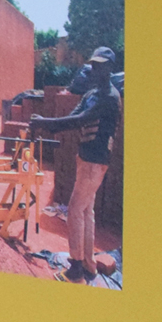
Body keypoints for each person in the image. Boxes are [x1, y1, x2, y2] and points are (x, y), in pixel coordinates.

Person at [30, 47, 120, 282]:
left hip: (95, 162)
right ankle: (89, 264)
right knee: (86, 211)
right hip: (86, 159)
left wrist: (44, 122)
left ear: (110, 67)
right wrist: (48, 125)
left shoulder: (110, 97)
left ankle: (76, 268)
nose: (95, 69)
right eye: (94, 64)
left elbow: (81, 120)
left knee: (74, 210)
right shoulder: (91, 94)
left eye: (100, 65)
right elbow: (72, 117)